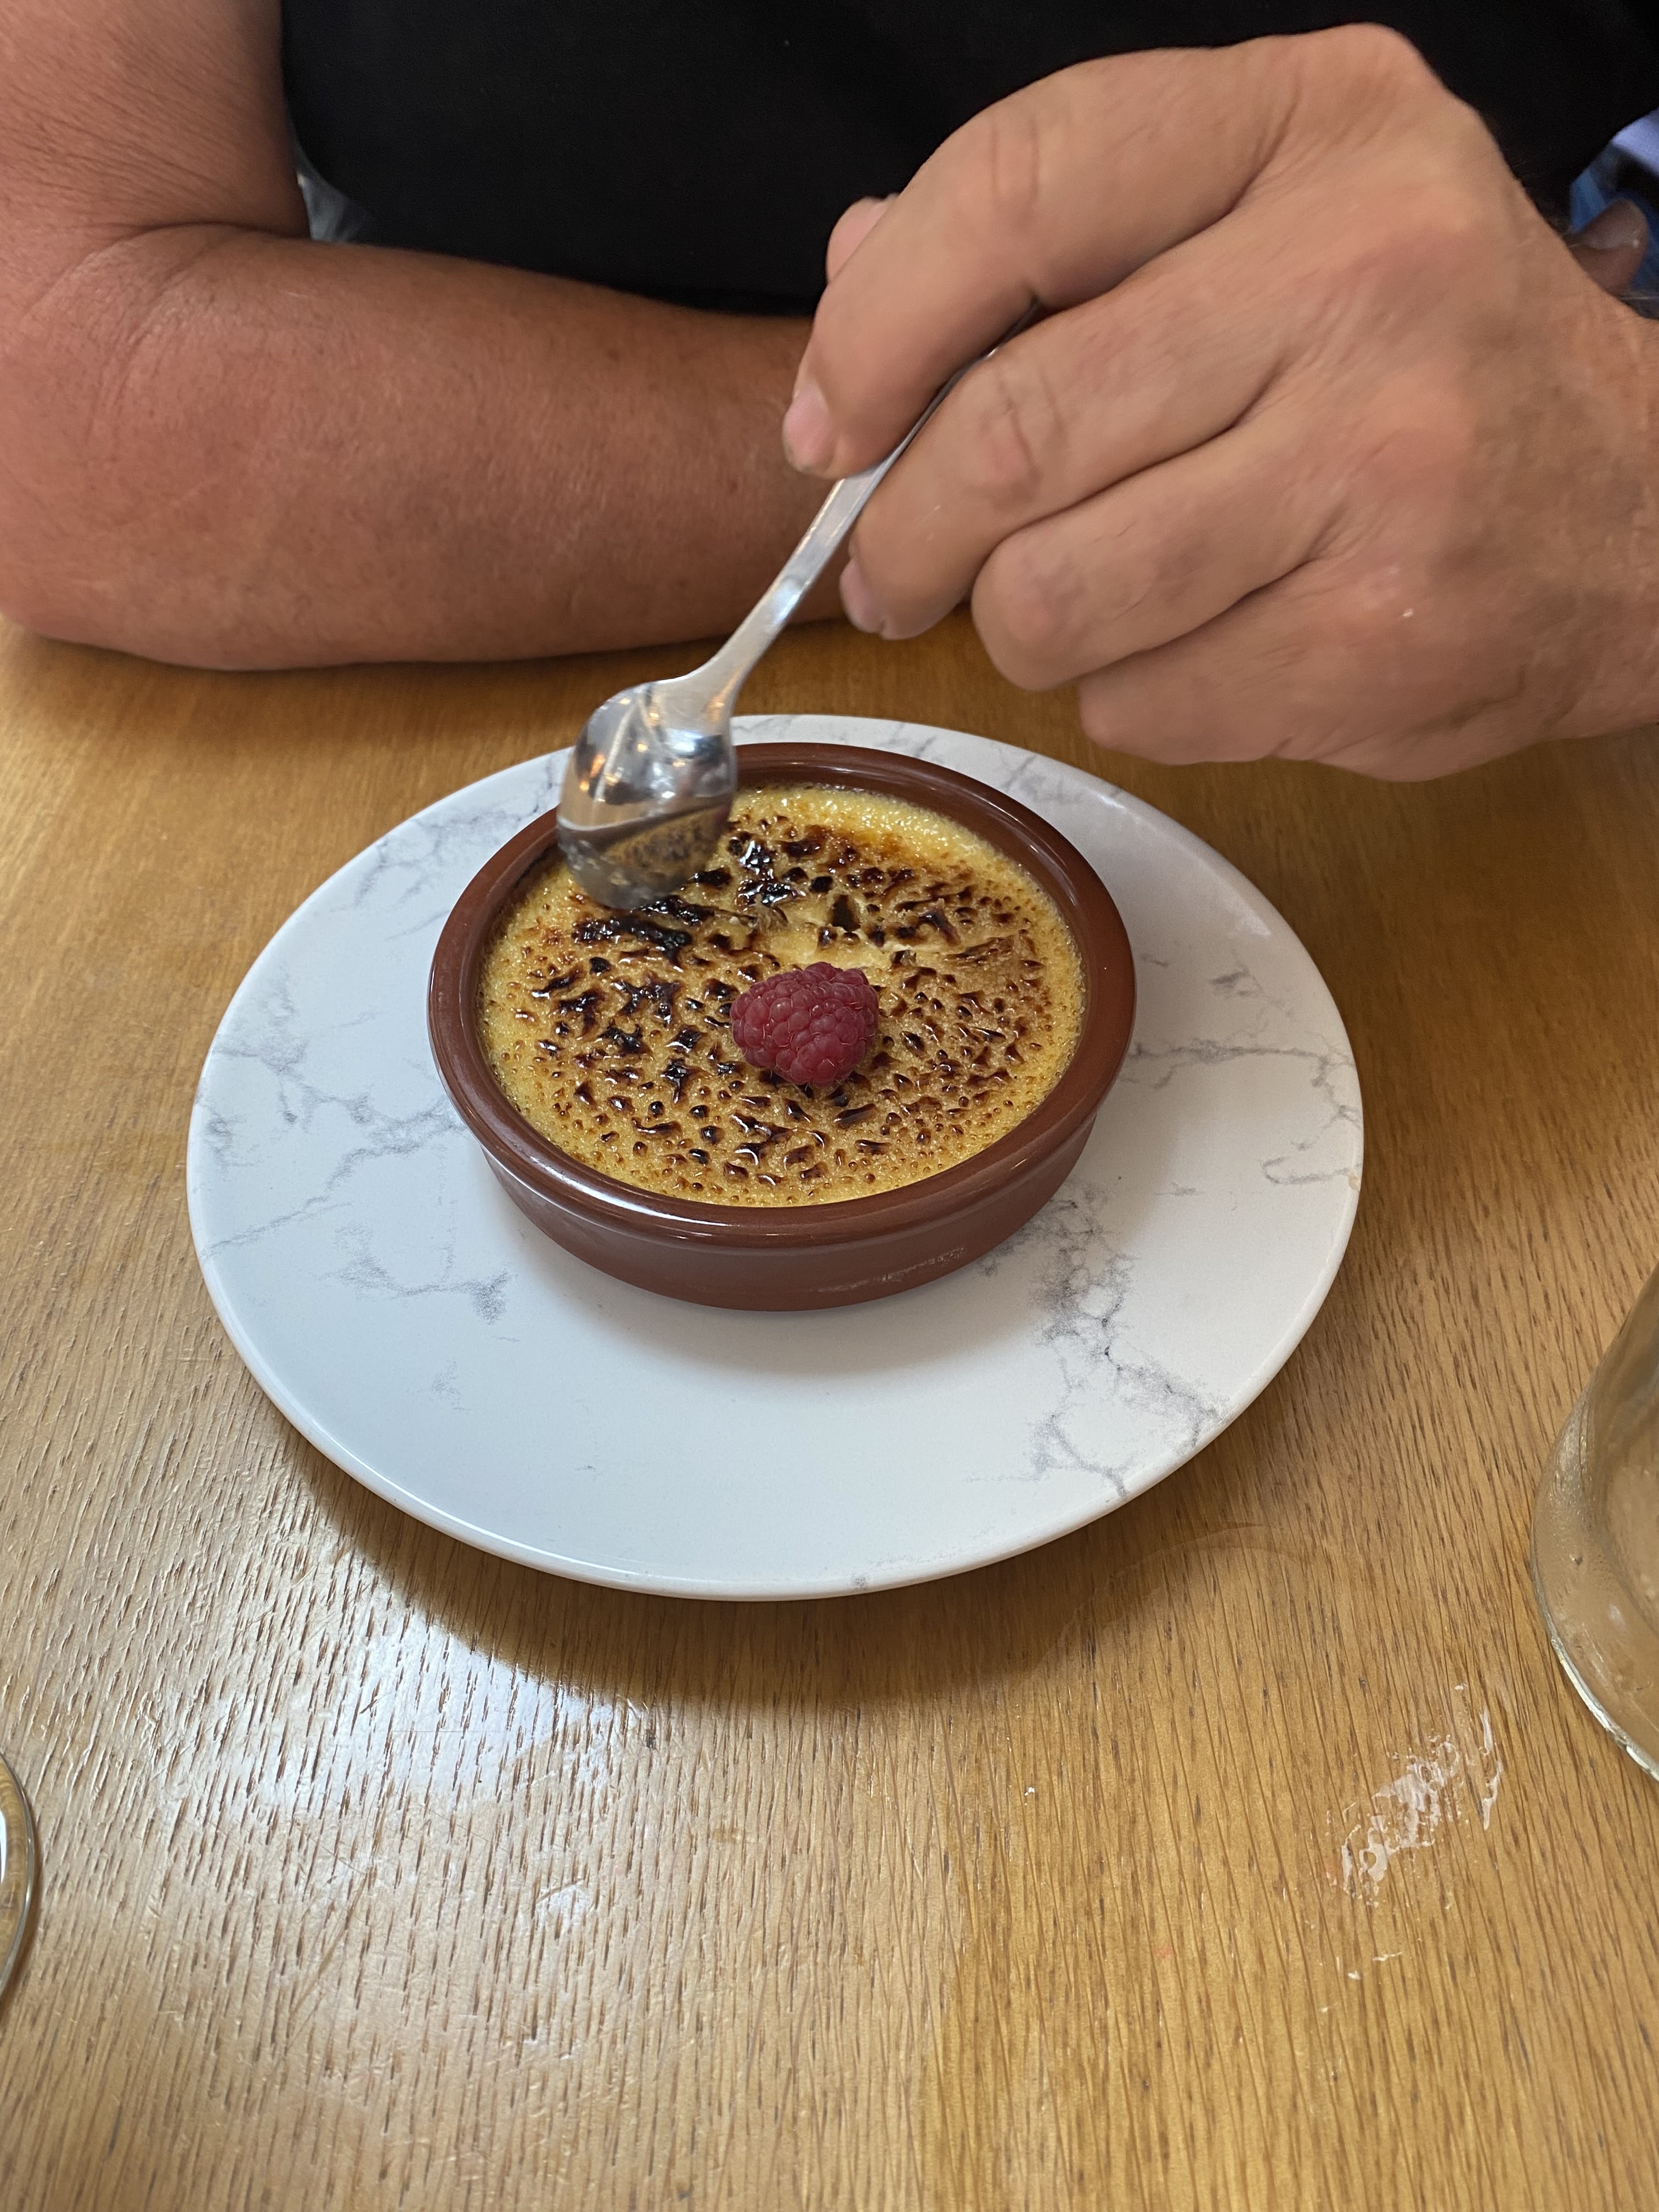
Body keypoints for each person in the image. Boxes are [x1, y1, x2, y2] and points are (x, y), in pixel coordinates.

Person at [2, 2, 1657, 781]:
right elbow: (70, 380)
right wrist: (1023, 443)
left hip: (1467, 655)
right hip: (348, 723)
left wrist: (1627, 465)